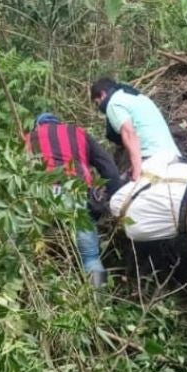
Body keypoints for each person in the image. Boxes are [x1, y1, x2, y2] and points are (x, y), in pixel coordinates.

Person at [25, 112, 123, 287]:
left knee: (35, 253)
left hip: (42, 196)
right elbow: (107, 166)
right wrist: (115, 196)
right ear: (60, 123)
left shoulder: (29, 138)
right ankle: (99, 300)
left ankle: (41, 297)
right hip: (76, 192)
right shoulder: (78, 133)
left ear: (38, 126)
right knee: (91, 257)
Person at [91, 77, 182, 181]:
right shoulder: (137, 97)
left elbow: (129, 133)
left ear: (102, 95)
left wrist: (137, 172)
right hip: (173, 156)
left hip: (153, 159)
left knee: (122, 195)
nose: (99, 107)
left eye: (97, 103)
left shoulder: (113, 103)